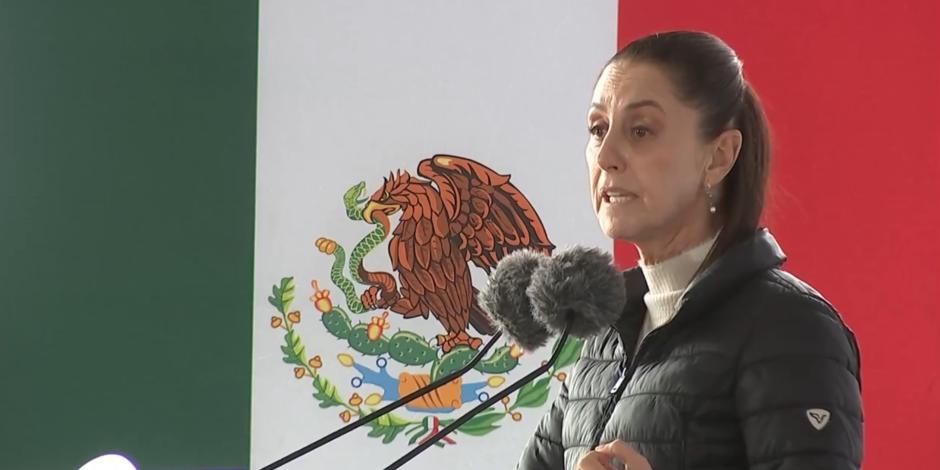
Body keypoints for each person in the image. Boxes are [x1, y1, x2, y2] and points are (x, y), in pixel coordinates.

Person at [516, 31, 863, 470]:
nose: (606, 156)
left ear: (718, 156)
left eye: (640, 130)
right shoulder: (604, 334)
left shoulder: (791, 327)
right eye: (598, 129)